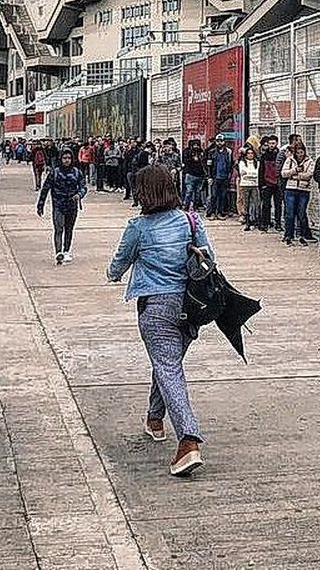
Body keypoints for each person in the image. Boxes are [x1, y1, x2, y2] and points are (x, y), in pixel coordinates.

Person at [105, 164, 214, 477]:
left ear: (143, 192)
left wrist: (112, 274)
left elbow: (120, 262)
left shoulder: (138, 227)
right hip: (191, 306)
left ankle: (188, 440)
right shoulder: (192, 221)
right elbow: (210, 260)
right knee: (168, 364)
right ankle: (155, 418)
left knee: (168, 367)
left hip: (156, 307)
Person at [38, 148, 87, 265]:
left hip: (72, 205)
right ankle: (58, 252)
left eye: (69, 158)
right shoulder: (54, 173)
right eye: (64, 158)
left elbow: (84, 187)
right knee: (58, 229)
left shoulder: (77, 172)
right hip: (58, 205)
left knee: (69, 230)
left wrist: (79, 195)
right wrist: (41, 205)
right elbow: (45, 189)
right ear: (60, 159)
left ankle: (66, 251)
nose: (67, 160)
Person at [280, 141, 314, 246]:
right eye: (298, 152)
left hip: (304, 190)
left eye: (302, 152)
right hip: (291, 189)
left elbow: (308, 175)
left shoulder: (309, 161)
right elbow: (283, 173)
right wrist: (294, 170)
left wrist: (294, 176)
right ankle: (288, 234)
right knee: (289, 213)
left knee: (301, 213)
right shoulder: (289, 160)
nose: (300, 155)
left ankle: (301, 235)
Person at [258, 134, 283, 232]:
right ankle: (266, 223)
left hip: (277, 184)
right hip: (267, 184)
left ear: (277, 143)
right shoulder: (264, 156)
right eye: (270, 143)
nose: (272, 145)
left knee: (278, 205)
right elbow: (261, 171)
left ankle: (278, 223)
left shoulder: (280, 155)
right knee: (266, 205)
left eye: (273, 143)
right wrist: (261, 184)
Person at [236, 145, 261, 231]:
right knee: (245, 204)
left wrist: (249, 174)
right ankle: (247, 222)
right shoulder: (242, 163)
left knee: (255, 204)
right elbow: (242, 173)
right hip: (244, 185)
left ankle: (254, 221)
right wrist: (251, 175)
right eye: (248, 153)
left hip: (255, 185)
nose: (250, 155)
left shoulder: (257, 163)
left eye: (252, 153)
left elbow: (256, 173)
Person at [208, 137, 234, 219]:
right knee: (213, 195)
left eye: (221, 141)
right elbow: (209, 165)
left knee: (222, 196)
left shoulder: (229, 152)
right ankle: (212, 212)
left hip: (224, 177)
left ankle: (220, 212)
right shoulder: (211, 152)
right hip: (215, 177)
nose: (220, 143)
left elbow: (231, 164)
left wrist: (229, 175)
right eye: (218, 141)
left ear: (224, 142)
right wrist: (209, 176)